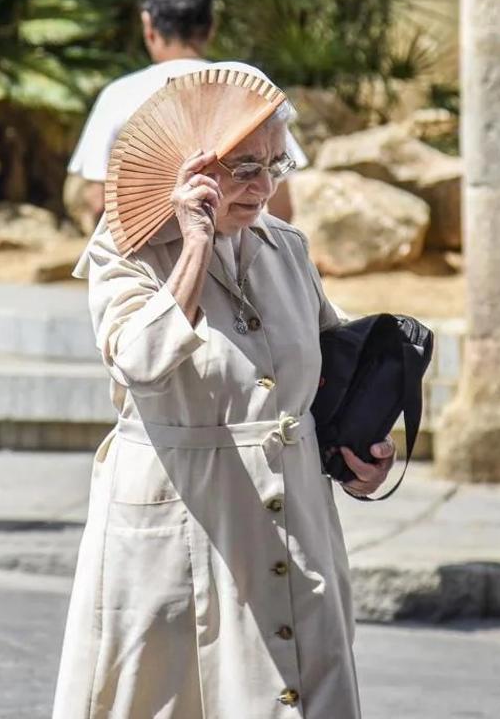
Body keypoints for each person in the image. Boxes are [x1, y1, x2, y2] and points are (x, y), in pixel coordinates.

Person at [52, 66, 395, 718]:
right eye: (243, 167)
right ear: (193, 170)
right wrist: (197, 244)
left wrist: (361, 450)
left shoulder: (285, 248)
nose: (264, 186)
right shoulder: (125, 252)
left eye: (274, 165)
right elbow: (139, 359)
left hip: (293, 520)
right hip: (183, 519)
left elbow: (329, 373)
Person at [63, 0, 304, 231]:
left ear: (148, 25)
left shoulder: (119, 96)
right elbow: (282, 206)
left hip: (150, 264)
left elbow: (98, 200)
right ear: (211, 25)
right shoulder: (245, 90)